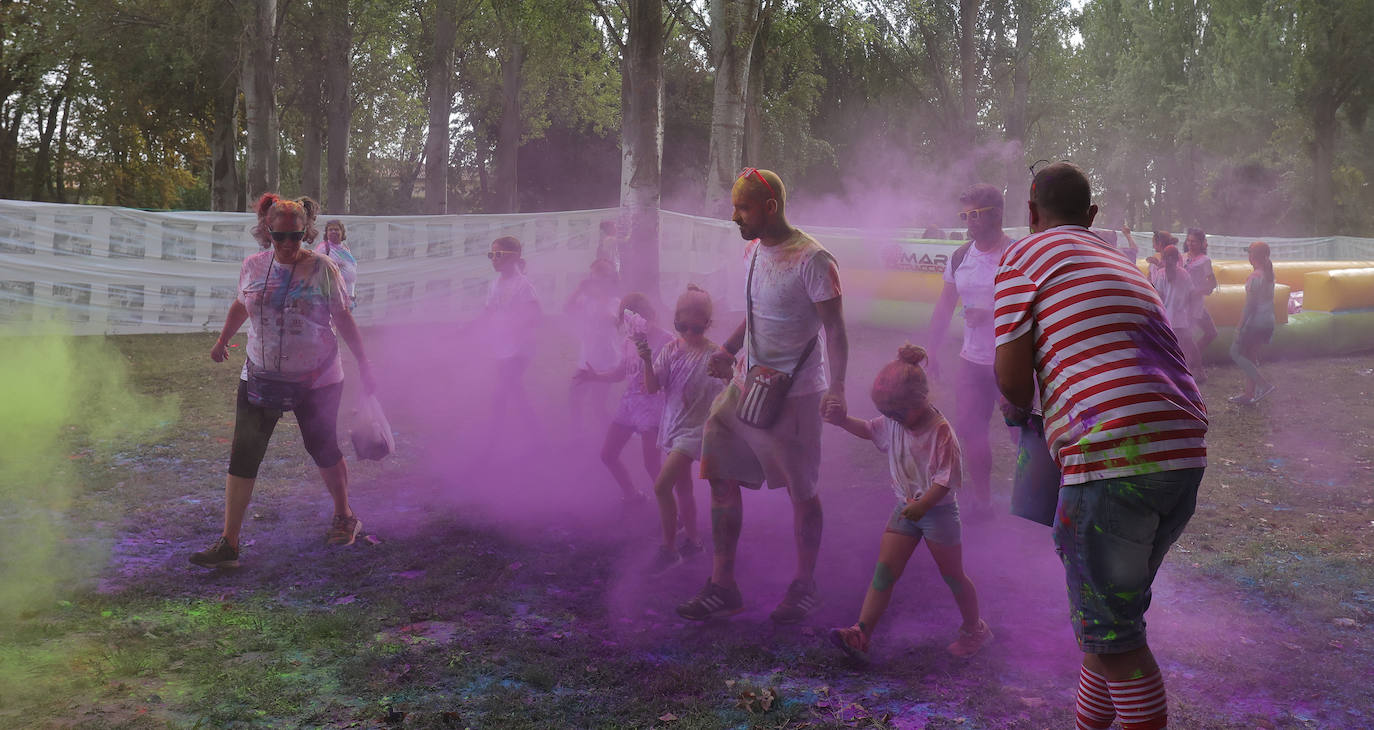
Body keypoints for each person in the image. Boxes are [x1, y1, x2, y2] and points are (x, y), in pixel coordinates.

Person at [994, 163, 1207, 730]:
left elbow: (1013, 381)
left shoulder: (1024, 256)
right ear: (1090, 217)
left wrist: (1018, 416)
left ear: (1031, 214)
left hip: (1112, 460)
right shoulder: (1121, 260)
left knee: (1114, 639)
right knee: (1106, 620)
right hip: (1181, 454)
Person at [676, 168, 848, 625]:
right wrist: (729, 350)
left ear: (770, 207)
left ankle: (805, 586)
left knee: (801, 491)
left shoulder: (813, 259)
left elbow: (835, 329)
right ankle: (722, 586)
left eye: (743, 207)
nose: (735, 216)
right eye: (734, 207)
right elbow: (758, 316)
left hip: (795, 394)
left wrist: (840, 389)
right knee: (717, 472)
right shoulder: (752, 250)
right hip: (744, 385)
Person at [190, 194, 376, 568]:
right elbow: (242, 304)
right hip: (260, 375)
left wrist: (365, 362)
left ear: (306, 233)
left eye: (297, 237)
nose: (289, 245)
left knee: (321, 446)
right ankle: (229, 542)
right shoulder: (253, 267)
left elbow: (342, 318)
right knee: (244, 454)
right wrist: (222, 339)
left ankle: (345, 515)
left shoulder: (324, 268)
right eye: (280, 237)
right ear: (267, 234)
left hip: (318, 378)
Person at [823, 345, 991, 662]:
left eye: (898, 414)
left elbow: (947, 479)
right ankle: (861, 633)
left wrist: (923, 506)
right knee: (884, 573)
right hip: (905, 508)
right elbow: (870, 429)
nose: (893, 421)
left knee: (954, 575)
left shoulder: (941, 431)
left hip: (937, 513)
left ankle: (975, 629)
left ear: (920, 401)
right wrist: (843, 420)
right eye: (889, 415)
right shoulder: (895, 420)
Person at [926, 183, 1016, 519]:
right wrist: (932, 350)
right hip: (971, 363)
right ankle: (982, 501)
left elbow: (1037, 308)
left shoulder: (1017, 254)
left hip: (1012, 364)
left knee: (1023, 436)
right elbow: (945, 304)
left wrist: (993, 314)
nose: (969, 221)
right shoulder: (961, 255)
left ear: (996, 214)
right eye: (965, 215)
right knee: (970, 431)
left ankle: (1035, 502)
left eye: (975, 214)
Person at [639, 285, 724, 573]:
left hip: (695, 431)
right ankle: (694, 540)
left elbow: (730, 393)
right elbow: (652, 388)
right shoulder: (671, 350)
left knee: (662, 486)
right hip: (673, 426)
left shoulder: (715, 356)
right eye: (681, 325)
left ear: (707, 324)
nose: (688, 332)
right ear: (675, 320)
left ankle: (668, 548)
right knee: (683, 488)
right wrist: (646, 359)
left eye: (695, 327)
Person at [574, 293, 671, 507]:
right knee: (608, 455)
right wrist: (595, 376)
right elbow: (621, 372)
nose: (637, 324)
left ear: (652, 315)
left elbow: (678, 377)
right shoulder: (628, 341)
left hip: (653, 406)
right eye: (629, 320)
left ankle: (674, 512)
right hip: (630, 404)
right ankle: (633, 495)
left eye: (643, 317)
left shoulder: (667, 341)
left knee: (652, 465)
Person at [481, 236, 542, 439]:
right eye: (491, 254)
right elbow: (488, 312)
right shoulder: (495, 284)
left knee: (501, 392)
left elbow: (535, 315)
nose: (494, 259)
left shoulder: (523, 285)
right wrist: (465, 330)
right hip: (503, 347)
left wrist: (516, 327)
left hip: (520, 349)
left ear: (514, 257)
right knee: (516, 392)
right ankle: (536, 436)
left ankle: (492, 438)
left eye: (498, 254)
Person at [565, 258, 622, 430]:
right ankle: (576, 436)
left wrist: (599, 297)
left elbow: (613, 321)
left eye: (599, 278)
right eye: (593, 277)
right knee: (574, 398)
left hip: (605, 362)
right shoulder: (586, 301)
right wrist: (578, 290)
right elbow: (567, 308)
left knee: (598, 405)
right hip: (586, 359)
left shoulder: (615, 302)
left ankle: (611, 434)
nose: (595, 283)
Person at [1229, 241, 1276, 404]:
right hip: (1268, 321)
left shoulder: (1255, 277)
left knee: (1235, 353)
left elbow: (1250, 306)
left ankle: (1264, 385)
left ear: (1252, 256)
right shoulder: (1269, 273)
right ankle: (1249, 394)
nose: (1248, 256)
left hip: (1256, 322)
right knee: (1250, 356)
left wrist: (1239, 327)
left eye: (1249, 253)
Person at [1150, 244, 1200, 369]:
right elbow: (1191, 295)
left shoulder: (1161, 274)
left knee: (1167, 348)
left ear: (1164, 259)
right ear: (1178, 258)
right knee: (1184, 348)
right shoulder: (1184, 274)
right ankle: (1190, 372)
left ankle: (1170, 372)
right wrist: (1190, 312)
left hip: (1167, 318)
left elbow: (1159, 297)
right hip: (1180, 319)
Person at [1183, 227, 1218, 378]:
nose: (1191, 244)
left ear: (1202, 243)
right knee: (1187, 337)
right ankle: (1195, 369)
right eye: (1189, 241)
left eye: (1194, 242)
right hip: (1183, 304)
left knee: (1210, 333)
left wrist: (1198, 291)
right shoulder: (1181, 257)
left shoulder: (1204, 260)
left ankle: (1190, 362)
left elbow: (1212, 284)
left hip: (1196, 303)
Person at [316, 218, 359, 308]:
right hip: (334, 299)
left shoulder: (344, 248)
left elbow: (349, 268)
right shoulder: (323, 248)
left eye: (336, 229)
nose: (333, 231)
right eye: (330, 230)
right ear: (326, 233)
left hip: (349, 297)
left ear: (342, 232)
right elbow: (317, 271)